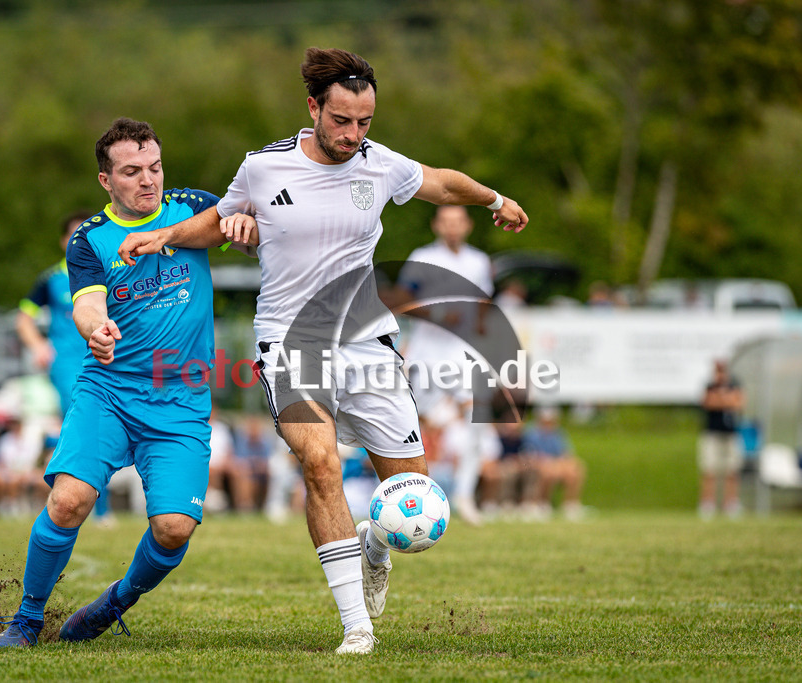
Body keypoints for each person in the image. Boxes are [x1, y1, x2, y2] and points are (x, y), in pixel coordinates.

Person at [117, 47, 528, 654]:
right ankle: (355, 626)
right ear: (314, 108)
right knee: (320, 463)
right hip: (288, 337)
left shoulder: (378, 164)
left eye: (364, 122)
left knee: (412, 496)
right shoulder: (263, 167)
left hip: (367, 340)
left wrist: (495, 201)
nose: (353, 134)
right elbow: (223, 220)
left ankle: (375, 543)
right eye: (342, 121)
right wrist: (169, 236)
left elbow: (441, 182)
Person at [0, 117, 257, 648]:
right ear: (106, 181)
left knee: (174, 529)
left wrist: (248, 231)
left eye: (154, 167)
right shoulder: (89, 240)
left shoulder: (194, 206)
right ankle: (26, 618)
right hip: (109, 390)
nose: (148, 180)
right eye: (132, 171)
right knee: (68, 501)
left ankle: (116, 601)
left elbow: (247, 234)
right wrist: (98, 331)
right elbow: (86, 306)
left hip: (181, 398)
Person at [397, 205, 497, 525]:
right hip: (426, 352)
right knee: (417, 423)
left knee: (477, 414)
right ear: (436, 226)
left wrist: (480, 332)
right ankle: (404, 493)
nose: (452, 228)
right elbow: (402, 301)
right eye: (446, 222)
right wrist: (439, 315)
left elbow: (483, 302)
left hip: (459, 353)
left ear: (467, 225)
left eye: (458, 222)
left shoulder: (478, 261)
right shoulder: (422, 257)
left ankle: (465, 494)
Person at [16, 210, 116, 525]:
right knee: (86, 425)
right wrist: (38, 346)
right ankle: (97, 509)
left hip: (108, 359)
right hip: (68, 365)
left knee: (91, 428)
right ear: (63, 241)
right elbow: (23, 318)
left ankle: (44, 465)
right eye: (74, 235)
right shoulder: (51, 279)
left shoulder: (112, 271)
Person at [698, 359, 745, 519]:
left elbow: (738, 403)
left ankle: (730, 504)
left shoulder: (735, 385)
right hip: (712, 434)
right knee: (710, 470)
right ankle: (708, 505)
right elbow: (708, 402)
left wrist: (724, 400)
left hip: (731, 434)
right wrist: (725, 400)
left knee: (731, 471)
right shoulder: (710, 386)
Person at [521, 406, 585, 521]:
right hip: (532, 465)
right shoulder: (531, 433)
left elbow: (566, 454)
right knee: (548, 471)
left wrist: (563, 463)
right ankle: (542, 503)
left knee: (575, 469)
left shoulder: (558, 433)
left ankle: (570, 505)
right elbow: (529, 456)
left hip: (554, 465)